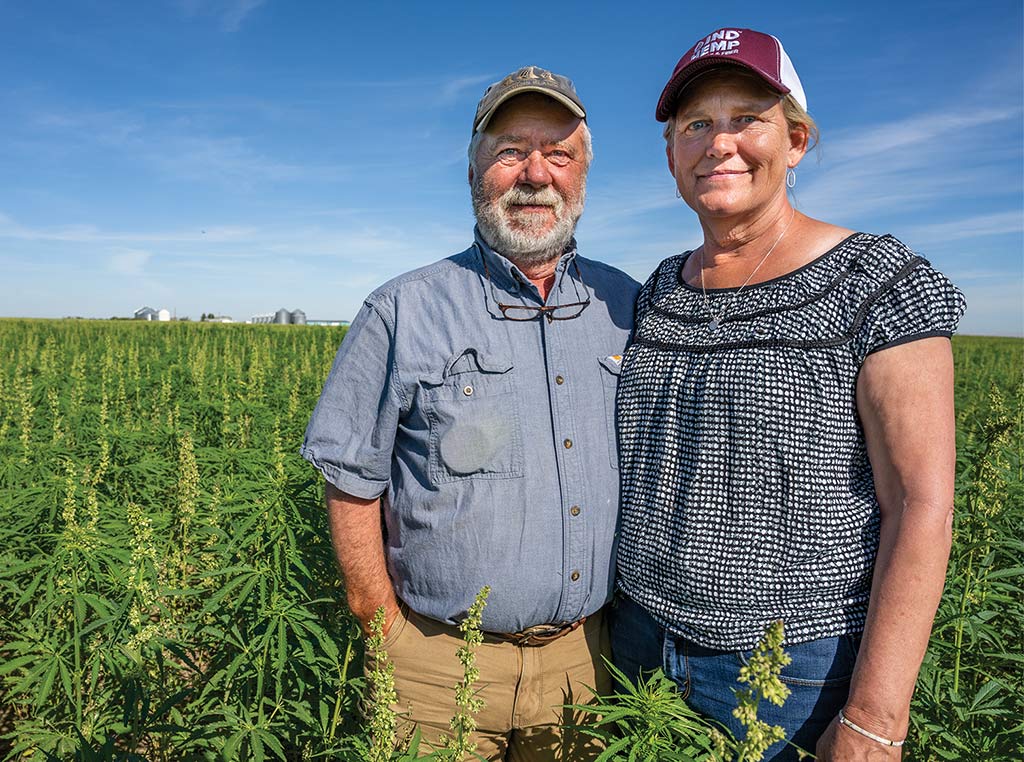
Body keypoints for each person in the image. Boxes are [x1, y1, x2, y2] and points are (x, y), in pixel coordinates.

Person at [611, 27, 965, 761]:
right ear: (672, 154)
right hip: (637, 644)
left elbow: (922, 503)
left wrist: (874, 718)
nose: (720, 143)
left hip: (789, 670)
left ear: (797, 141)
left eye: (748, 119)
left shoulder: (877, 281)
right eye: (697, 125)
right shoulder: (656, 292)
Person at [301, 65, 639, 760]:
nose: (535, 173)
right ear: (473, 170)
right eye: (510, 150)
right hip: (434, 666)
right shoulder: (403, 309)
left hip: (588, 665)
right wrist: (380, 623)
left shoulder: (627, 308)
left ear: (582, 176)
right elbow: (350, 478)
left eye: (560, 153)